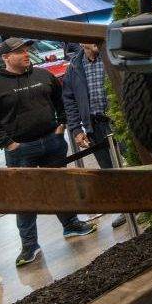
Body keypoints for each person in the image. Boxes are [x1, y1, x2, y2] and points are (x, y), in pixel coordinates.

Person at [0, 38, 96, 267]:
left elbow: (62, 101)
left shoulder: (43, 75)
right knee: (25, 198)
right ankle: (29, 246)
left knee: (59, 186)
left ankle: (71, 225)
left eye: (26, 50)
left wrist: (60, 126)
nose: (25, 54)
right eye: (19, 52)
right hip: (21, 150)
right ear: (5, 58)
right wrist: (9, 144)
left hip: (52, 142)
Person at [62, 42, 126, 228]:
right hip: (95, 126)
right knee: (108, 170)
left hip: (119, 120)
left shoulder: (112, 55)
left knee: (134, 160)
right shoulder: (75, 66)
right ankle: (126, 208)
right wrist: (76, 129)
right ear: (82, 43)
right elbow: (69, 99)